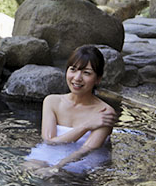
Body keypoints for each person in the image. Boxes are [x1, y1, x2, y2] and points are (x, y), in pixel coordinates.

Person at [25, 45, 118, 177]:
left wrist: (57, 167)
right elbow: (49, 141)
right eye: (73, 69)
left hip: (83, 159)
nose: (77, 78)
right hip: (50, 151)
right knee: (23, 173)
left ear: (98, 79)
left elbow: (86, 150)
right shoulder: (52, 101)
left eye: (86, 73)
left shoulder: (105, 112)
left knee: (55, 179)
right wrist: (86, 126)